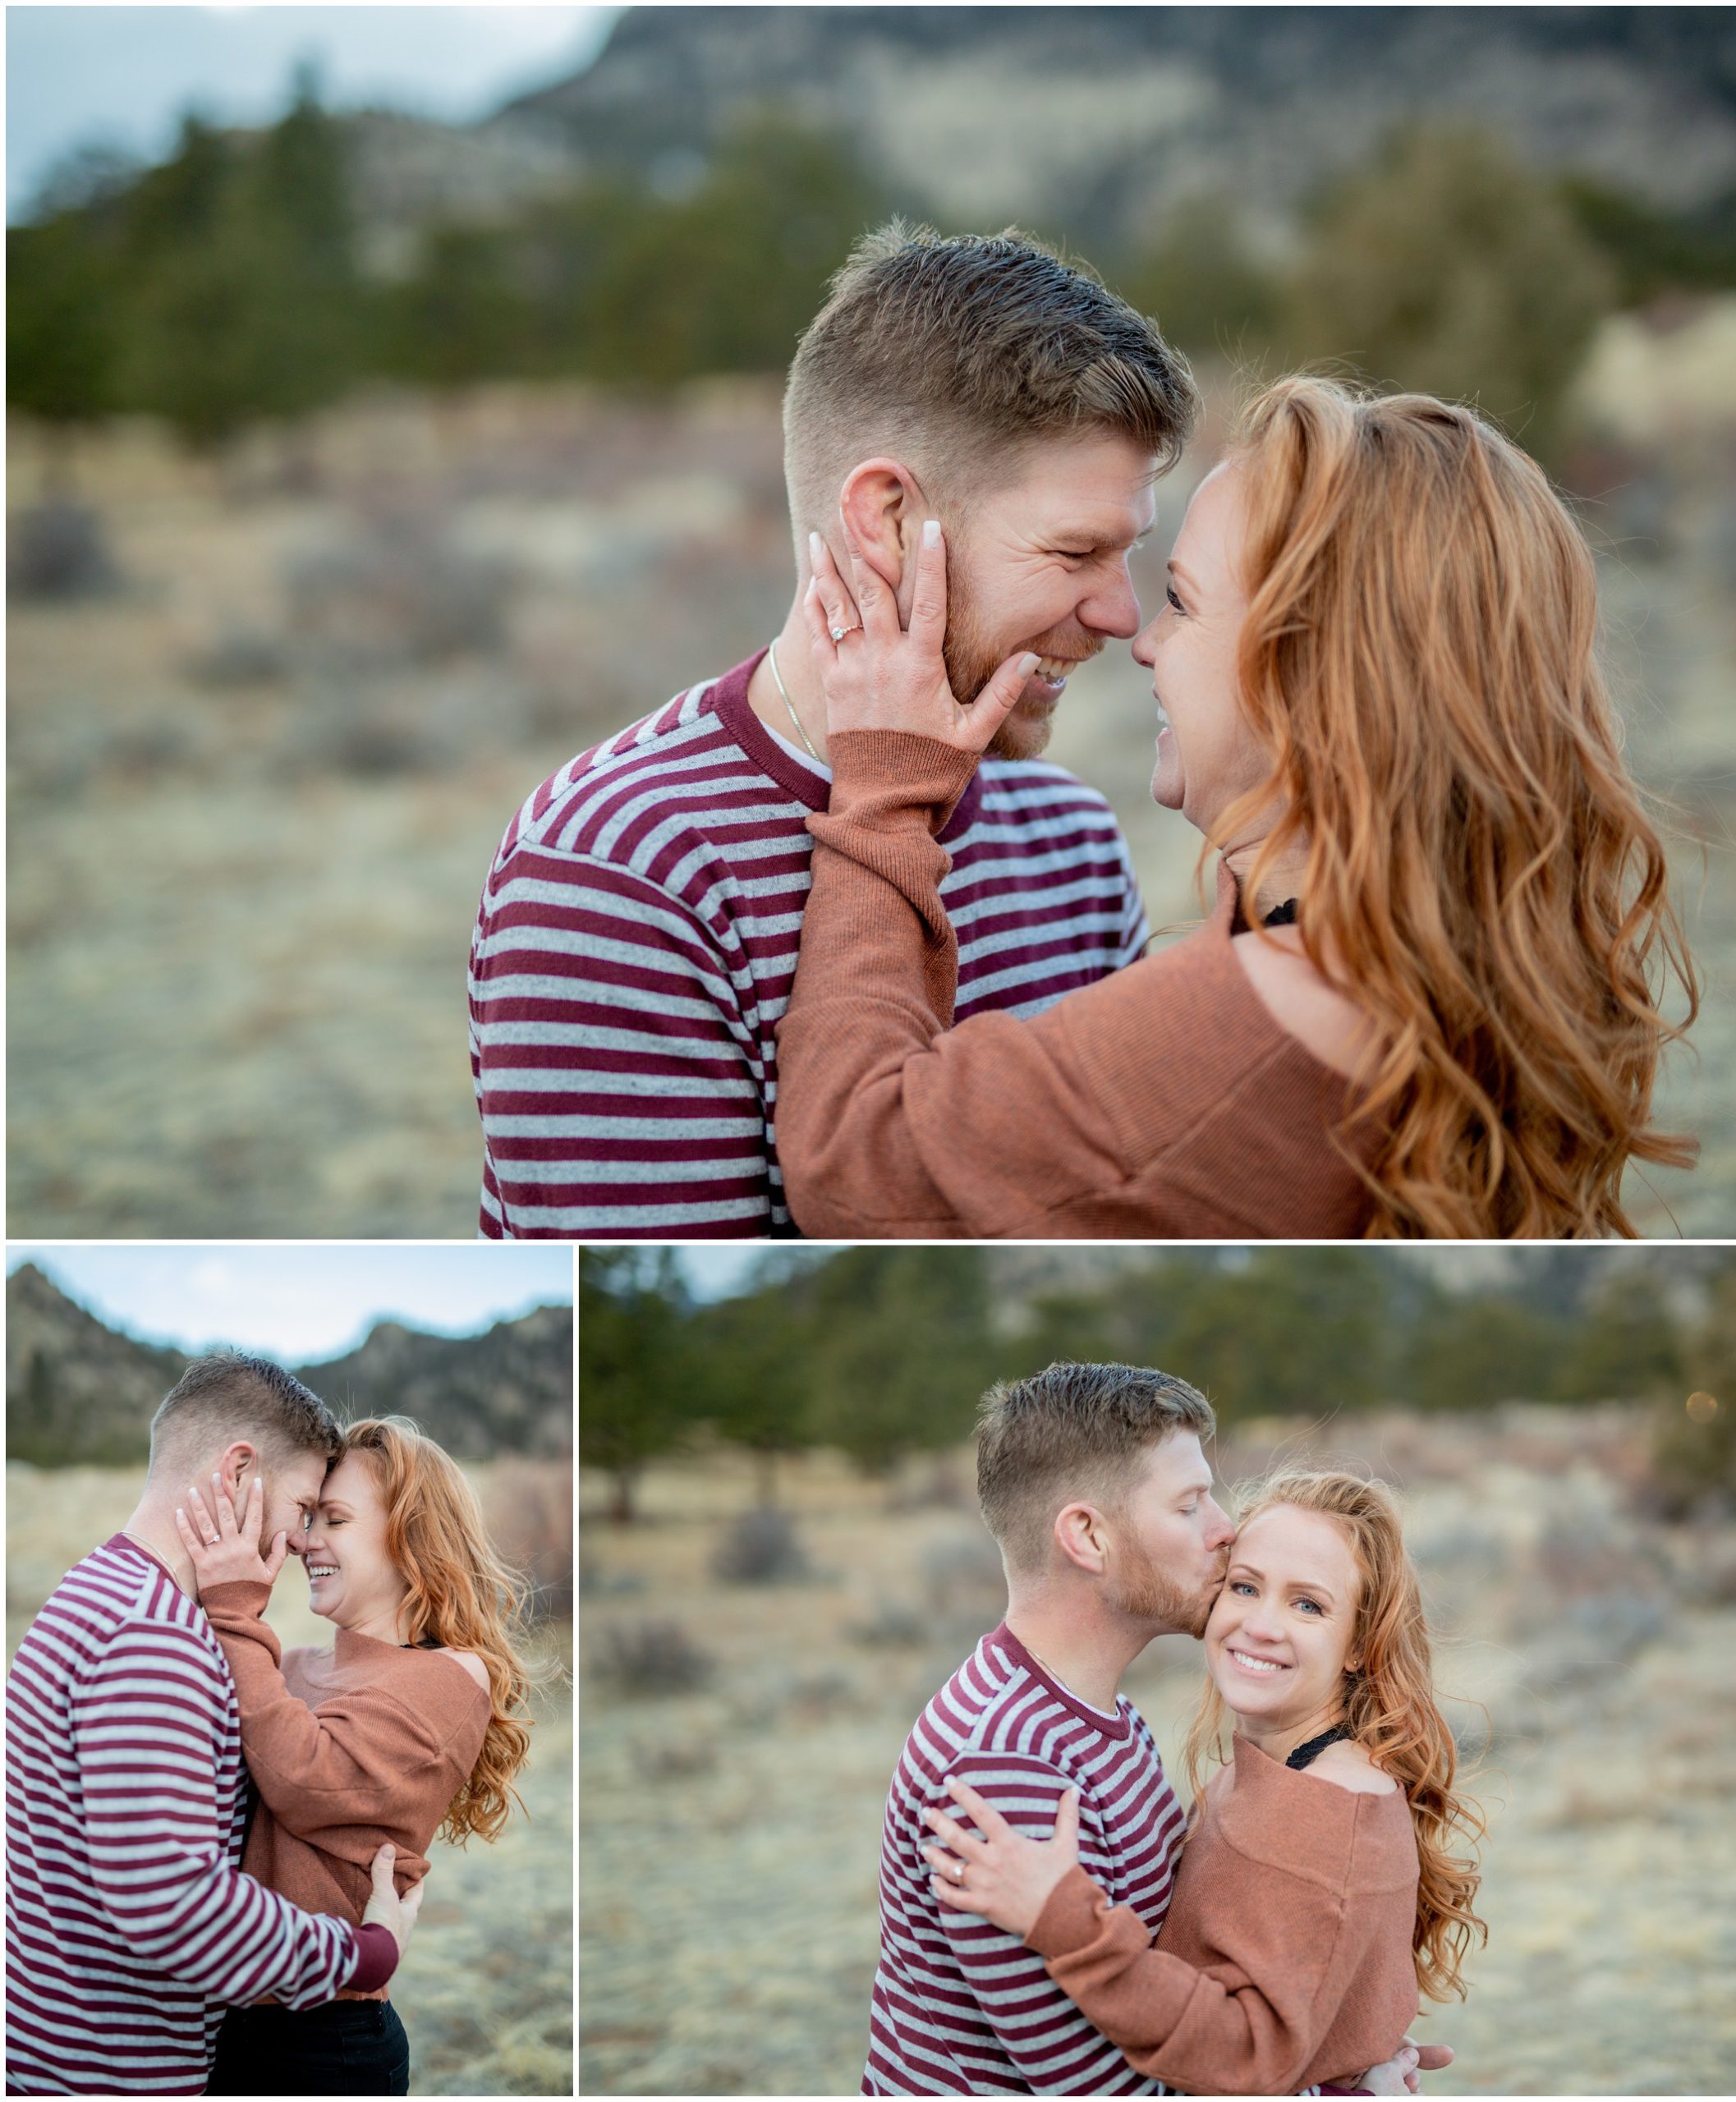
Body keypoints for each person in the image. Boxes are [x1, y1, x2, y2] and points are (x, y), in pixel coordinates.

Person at [774, 374, 1700, 1240]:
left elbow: (852, 1164)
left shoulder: (1267, 1019)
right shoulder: (1461, 947)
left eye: (1178, 600)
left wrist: (886, 789)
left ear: (1310, 676)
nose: (1139, 637)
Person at [468, 223, 1198, 1238]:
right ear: (886, 518)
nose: (1121, 614)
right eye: (1075, 550)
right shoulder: (617, 869)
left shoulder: (1069, 838)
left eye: (1128, 552)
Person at [861, 1365, 1448, 2098]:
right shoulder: (1005, 1767)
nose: (1223, 1530)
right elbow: (1099, 2089)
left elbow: (1191, 1966)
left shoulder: (1106, 1720)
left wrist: (1332, 2036)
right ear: (1086, 1536)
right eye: (1189, 1505)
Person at [4, 1356, 421, 2097]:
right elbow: (171, 1902)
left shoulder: (92, 1588)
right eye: (300, 1508)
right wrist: (362, 1954)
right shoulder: (154, 1636)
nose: (300, 1541)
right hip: (114, 2076)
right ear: (237, 1472)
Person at [173, 1416, 534, 2097]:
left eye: (333, 1520)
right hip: (232, 2020)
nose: (306, 1541)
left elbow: (306, 1778)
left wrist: (234, 1612)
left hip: (324, 2039)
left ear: (411, 1538)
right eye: (309, 1517)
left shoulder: (450, 1679)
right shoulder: (293, 1663)